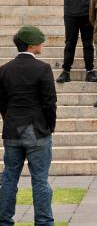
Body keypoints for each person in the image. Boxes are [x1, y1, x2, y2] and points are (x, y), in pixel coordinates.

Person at [0, 26, 57, 226]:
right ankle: (43, 222)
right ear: (32, 45)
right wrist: (50, 126)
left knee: (9, 177)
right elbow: (50, 102)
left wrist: (9, 119)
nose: (42, 44)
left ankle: (4, 220)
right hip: (37, 129)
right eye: (40, 41)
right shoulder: (42, 68)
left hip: (13, 127)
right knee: (40, 180)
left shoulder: (5, 69)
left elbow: (2, 102)